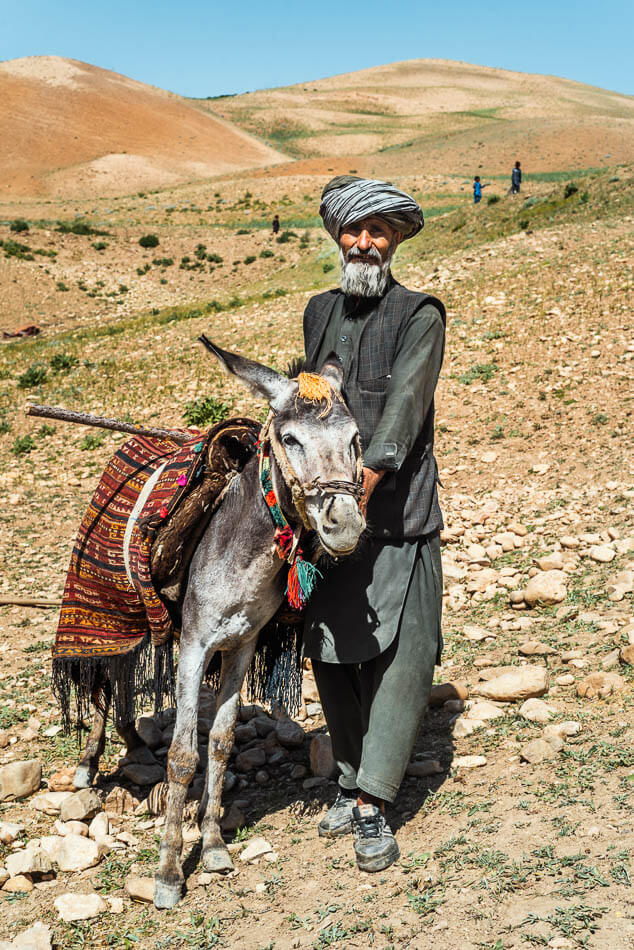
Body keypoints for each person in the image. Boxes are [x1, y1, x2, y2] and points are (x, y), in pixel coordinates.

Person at [302, 175, 445, 873]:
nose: (365, 242)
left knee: (403, 655)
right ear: (337, 235)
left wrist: (362, 485)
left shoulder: (421, 314)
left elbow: (404, 413)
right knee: (332, 647)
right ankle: (349, 773)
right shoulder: (318, 311)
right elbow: (308, 402)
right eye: (355, 231)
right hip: (328, 512)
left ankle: (373, 804)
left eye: (379, 231)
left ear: (395, 240)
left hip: (397, 512)